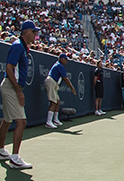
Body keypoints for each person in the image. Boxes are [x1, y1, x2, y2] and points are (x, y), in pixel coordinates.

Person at [0, 21, 40, 169]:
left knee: (7, 120)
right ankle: (15, 158)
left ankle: (0, 150)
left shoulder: (22, 47)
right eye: (34, 32)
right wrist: (18, 91)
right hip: (11, 87)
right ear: (26, 32)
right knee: (21, 122)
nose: (36, 35)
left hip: (11, 86)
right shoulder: (18, 46)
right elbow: (9, 69)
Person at [44, 53, 78, 128]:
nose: (66, 61)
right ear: (61, 59)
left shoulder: (59, 65)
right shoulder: (59, 65)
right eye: (65, 59)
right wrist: (72, 88)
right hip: (51, 82)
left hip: (53, 83)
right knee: (53, 102)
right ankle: (48, 122)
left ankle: (55, 119)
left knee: (57, 101)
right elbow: (65, 79)